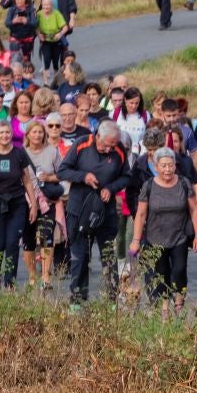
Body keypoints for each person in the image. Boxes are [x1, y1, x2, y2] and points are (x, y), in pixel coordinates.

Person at [63, 121, 131, 307]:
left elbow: (126, 176)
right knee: (80, 256)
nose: (109, 149)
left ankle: (112, 300)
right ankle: (76, 300)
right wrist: (83, 177)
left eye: (113, 145)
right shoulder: (81, 144)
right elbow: (63, 170)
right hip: (80, 209)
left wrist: (111, 188)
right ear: (97, 135)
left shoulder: (118, 150)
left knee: (108, 255)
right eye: (106, 144)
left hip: (105, 211)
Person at [132, 148, 197, 317]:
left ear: (175, 166)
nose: (167, 169)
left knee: (179, 270)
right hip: (154, 238)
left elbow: (194, 210)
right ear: (156, 166)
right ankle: (164, 308)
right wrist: (136, 240)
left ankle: (179, 304)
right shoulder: (149, 186)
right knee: (161, 272)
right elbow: (141, 214)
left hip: (178, 236)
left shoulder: (184, 183)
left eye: (170, 165)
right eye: (163, 166)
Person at [0, 119, 38, 290]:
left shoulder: (19, 154)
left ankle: (10, 282)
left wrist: (33, 204)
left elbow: (27, 180)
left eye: (8, 132)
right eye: (1, 132)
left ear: (12, 134)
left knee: (12, 243)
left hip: (17, 203)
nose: (5, 135)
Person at [24, 116, 66, 290]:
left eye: (40, 132)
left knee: (47, 237)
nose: (37, 135)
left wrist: (49, 178)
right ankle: (33, 275)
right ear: (28, 134)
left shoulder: (52, 151)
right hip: (26, 201)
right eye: (34, 132)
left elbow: (63, 173)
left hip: (47, 200)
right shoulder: (21, 152)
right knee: (29, 240)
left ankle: (46, 276)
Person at [4, 0, 38, 67]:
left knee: (26, 59)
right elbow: (6, 23)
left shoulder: (31, 9)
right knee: (15, 57)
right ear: (15, 0)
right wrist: (14, 21)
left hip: (27, 38)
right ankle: (15, 71)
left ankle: (26, 73)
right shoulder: (12, 9)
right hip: (15, 37)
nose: (19, 1)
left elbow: (35, 23)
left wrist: (27, 21)